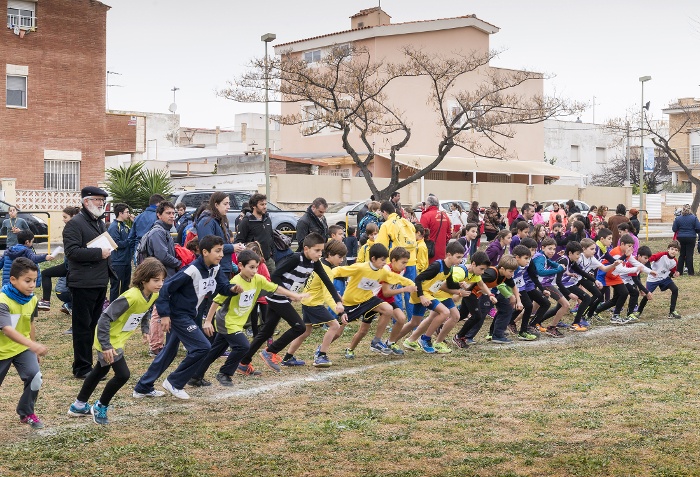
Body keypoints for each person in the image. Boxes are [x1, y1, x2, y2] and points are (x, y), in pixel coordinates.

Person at [132, 235, 240, 400]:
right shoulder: (191, 270)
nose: (221, 254)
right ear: (204, 252)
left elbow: (223, 286)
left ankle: (143, 387)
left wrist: (232, 289)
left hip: (190, 313)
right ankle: (174, 382)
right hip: (179, 315)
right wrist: (165, 315)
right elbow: (165, 289)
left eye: (222, 251)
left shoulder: (215, 268)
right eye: (217, 251)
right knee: (202, 347)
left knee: (169, 352)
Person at [67, 258, 166, 424]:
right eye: (156, 280)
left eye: (162, 280)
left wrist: (145, 330)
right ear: (144, 280)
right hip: (108, 339)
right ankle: (100, 406)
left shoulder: (153, 294)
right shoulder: (131, 297)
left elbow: (145, 312)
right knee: (123, 375)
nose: (160, 284)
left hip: (118, 339)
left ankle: (78, 405)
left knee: (100, 371)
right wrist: (105, 346)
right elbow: (104, 318)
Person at [190, 249, 306, 386]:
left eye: (257, 267)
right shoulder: (235, 283)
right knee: (243, 346)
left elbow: (275, 288)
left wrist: (293, 295)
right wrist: (208, 321)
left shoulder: (258, 279)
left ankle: (195, 376)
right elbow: (216, 301)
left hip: (237, 322)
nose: (255, 271)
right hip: (226, 321)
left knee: (216, 350)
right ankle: (225, 373)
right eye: (251, 267)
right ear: (240, 266)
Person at [236, 232, 343, 375]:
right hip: (277, 297)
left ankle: (243, 363)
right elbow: (275, 276)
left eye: (321, 251)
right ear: (306, 249)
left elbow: (327, 281)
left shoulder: (314, 263)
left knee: (266, 332)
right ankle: (270, 351)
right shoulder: (295, 258)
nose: (319, 254)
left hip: (283, 298)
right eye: (317, 250)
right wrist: (290, 293)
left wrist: (337, 301)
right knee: (299, 327)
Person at [63, 186, 112, 379]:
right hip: (83, 283)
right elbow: (72, 252)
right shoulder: (75, 224)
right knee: (83, 327)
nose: (101, 203)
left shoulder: (98, 222)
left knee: (92, 326)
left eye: (102, 200)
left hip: (99, 280)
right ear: (86, 202)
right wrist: (99, 253)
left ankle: (87, 364)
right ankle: (82, 368)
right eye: (98, 200)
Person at [333, 243, 415, 356]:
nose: (385, 262)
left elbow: (396, 278)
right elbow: (338, 271)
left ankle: (377, 341)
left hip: (369, 300)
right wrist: (324, 275)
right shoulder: (361, 267)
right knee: (341, 331)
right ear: (373, 258)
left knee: (389, 310)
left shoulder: (383, 271)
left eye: (385, 259)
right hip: (351, 303)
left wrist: (411, 284)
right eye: (382, 260)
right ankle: (326, 349)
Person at [282, 240, 347, 367]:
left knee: (305, 332)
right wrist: (338, 308)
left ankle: (287, 358)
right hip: (313, 303)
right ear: (329, 254)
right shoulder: (327, 270)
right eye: (340, 257)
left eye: (343, 257)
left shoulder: (318, 263)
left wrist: (337, 297)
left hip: (307, 301)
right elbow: (327, 293)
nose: (342, 260)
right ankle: (321, 355)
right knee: (334, 326)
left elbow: (320, 286)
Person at [0, 258, 47, 429]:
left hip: (21, 348)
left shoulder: (32, 300)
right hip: (1, 350)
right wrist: (33, 345)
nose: (32, 285)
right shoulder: (2, 301)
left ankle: (26, 412)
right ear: (13, 280)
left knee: (36, 377)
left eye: (34, 280)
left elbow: (30, 324)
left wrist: (32, 349)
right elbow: (7, 329)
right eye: (27, 281)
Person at [401, 241, 465, 353]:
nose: (460, 260)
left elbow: (450, 284)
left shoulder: (449, 268)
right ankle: (425, 339)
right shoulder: (437, 265)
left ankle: (392, 341)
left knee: (414, 322)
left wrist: (460, 285)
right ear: (449, 255)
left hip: (428, 294)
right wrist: (421, 296)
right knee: (445, 312)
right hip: (422, 293)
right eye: (458, 257)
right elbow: (418, 279)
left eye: (461, 258)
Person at [374, 200, 417, 320]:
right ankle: (412, 321)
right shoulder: (406, 222)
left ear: (384, 212)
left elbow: (380, 247)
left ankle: (396, 320)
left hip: (396, 263)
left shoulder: (387, 225)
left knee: (396, 292)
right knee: (411, 291)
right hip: (411, 261)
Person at [37, 206, 80, 312]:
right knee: (46, 273)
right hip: (68, 264)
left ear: (73, 216)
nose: (63, 219)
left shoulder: (75, 228)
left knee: (68, 287)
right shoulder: (70, 228)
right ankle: (47, 301)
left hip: (73, 265)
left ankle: (71, 305)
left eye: (65, 217)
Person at [451, 251, 497, 347]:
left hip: (467, 292)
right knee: (477, 316)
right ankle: (458, 336)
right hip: (441, 294)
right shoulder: (460, 272)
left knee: (462, 314)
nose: (483, 272)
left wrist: (490, 295)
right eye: (481, 269)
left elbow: (481, 284)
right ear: (473, 264)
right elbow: (446, 283)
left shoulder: (475, 273)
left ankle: (442, 329)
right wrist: (458, 292)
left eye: (484, 270)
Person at [196, 192, 244, 278]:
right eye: (225, 204)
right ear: (216, 205)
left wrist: (235, 247)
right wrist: (232, 247)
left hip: (224, 267)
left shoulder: (220, 221)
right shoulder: (207, 222)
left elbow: (222, 243)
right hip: (214, 269)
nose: (228, 207)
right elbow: (209, 247)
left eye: (229, 203)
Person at [635, 240, 681, 320]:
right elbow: (649, 259)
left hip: (664, 278)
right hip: (653, 278)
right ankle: (638, 312)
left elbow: (671, 273)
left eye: (676, 250)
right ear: (668, 249)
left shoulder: (674, 261)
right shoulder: (661, 255)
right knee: (647, 295)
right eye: (672, 249)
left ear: (678, 252)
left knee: (675, 289)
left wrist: (674, 275)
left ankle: (672, 312)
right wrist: (650, 270)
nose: (674, 251)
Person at [235, 193, 275, 272]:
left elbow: (271, 237)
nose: (265, 207)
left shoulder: (267, 219)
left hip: (268, 260)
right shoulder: (246, 221)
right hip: (253, 263)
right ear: (254, 206)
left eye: (265, 204)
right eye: (261, 204)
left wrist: (272, 254)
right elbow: (239, 242)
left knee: (273, 282)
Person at [127, 194, 164, 262]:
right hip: (153, 255)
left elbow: (131, 238)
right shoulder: (159, 217)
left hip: (139, 252)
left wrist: (134, 252)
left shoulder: (138, 217)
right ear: (158, 204)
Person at [108, 203, 132, 302]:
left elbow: (133, 234)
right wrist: (129, 241)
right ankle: (112, 308)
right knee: (116, 286)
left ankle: (123, 307)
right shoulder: (114, 227)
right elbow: (116, 244)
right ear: (120, 213)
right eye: (127, 212)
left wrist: (134, 222)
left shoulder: (125, 225)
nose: (128, 214)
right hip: (118, 261)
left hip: (126, 261)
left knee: (126, 285)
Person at [419, 195, 451, 263]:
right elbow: (449, 233)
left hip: (430, 251)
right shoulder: (445, 216)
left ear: (428, 204)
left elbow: (420, 234)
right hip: (442, 250)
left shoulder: (426, 216)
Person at [671, 204, 700, 276]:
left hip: (681, 237)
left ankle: (679, 271)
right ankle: (690, 272)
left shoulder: (678, 219)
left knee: (682, 255)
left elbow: (674, 229)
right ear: (690, 209)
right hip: (691, 237)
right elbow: (698, 228)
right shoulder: (694, 218)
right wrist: (694, 231)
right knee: (689, 255)